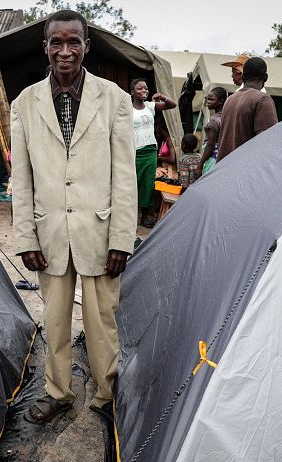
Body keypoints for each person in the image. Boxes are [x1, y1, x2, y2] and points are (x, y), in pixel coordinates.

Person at [10, 9, 137, 424]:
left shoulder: (114, 100)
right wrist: (26, 238)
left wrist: (121, 238)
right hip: (49, 233)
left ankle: (106, 394)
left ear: (87, 46)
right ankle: (58, 391)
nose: (65, 51)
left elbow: (124, 176)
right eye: (57, 43)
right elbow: (22, 178)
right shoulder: (24, 103)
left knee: (102, 322)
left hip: (99, 233)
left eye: (74, 42)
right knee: (54, 319)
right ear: (45, 48)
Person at [131, 78, 176, 228]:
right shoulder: (126, 108)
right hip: (134, 151)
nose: (144, 91)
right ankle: (130, 217)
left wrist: (162, 97)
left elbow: (172, 105)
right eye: (139, 89)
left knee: (148, 184)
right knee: (133, 183)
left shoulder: (150, 106)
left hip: (150, 150)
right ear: (132, 92)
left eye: (146, 88)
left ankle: (145, 216)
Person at [216, 57, 278, 162]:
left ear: (243, 76)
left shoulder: (230, 100)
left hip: (224, 169)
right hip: (246, 171)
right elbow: (266, 142)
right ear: (265, 77)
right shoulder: (262, 99)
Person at [200, 87, 226, 174]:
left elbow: (210, 145)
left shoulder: (214, 120)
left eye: (211, 99)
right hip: (224, 158)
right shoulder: (228, 117)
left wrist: (200, 165)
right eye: (207, 99)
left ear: (221, 101)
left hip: (213, 159)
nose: (208, 102)